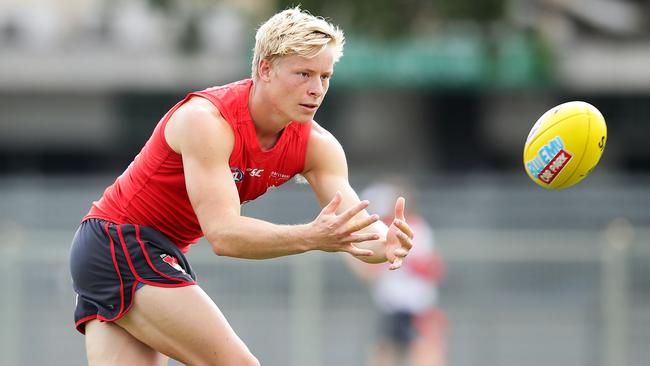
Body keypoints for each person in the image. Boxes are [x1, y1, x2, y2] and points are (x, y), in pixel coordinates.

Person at [69, 7, 415, 366]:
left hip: (143, 252)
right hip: (119, 243)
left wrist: (385, 240)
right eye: (303, 74)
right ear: (265, 69)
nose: (316, 89)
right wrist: (313, 237)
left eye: (325, 76)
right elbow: (224, 235)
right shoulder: (206, 121)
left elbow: (354, 223)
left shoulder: (318, 145)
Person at [350, 180, 446, 366]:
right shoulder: (419, 227)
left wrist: (345, 250)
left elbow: (369, 272)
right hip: (407, 304)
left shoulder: (395, 232)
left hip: (407, 305)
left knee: (396, 354)